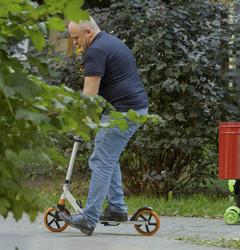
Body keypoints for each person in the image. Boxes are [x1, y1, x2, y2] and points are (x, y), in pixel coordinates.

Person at [59, 17, 149, 235]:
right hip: (131, 109)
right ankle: (117, 209)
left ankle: (89, 218)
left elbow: (90, 93)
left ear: (88, 32)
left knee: (100, 160)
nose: (76, 44)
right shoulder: (111, 42)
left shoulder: (96, 50)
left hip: (124, 112)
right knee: (107, 157)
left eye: (76, 38)